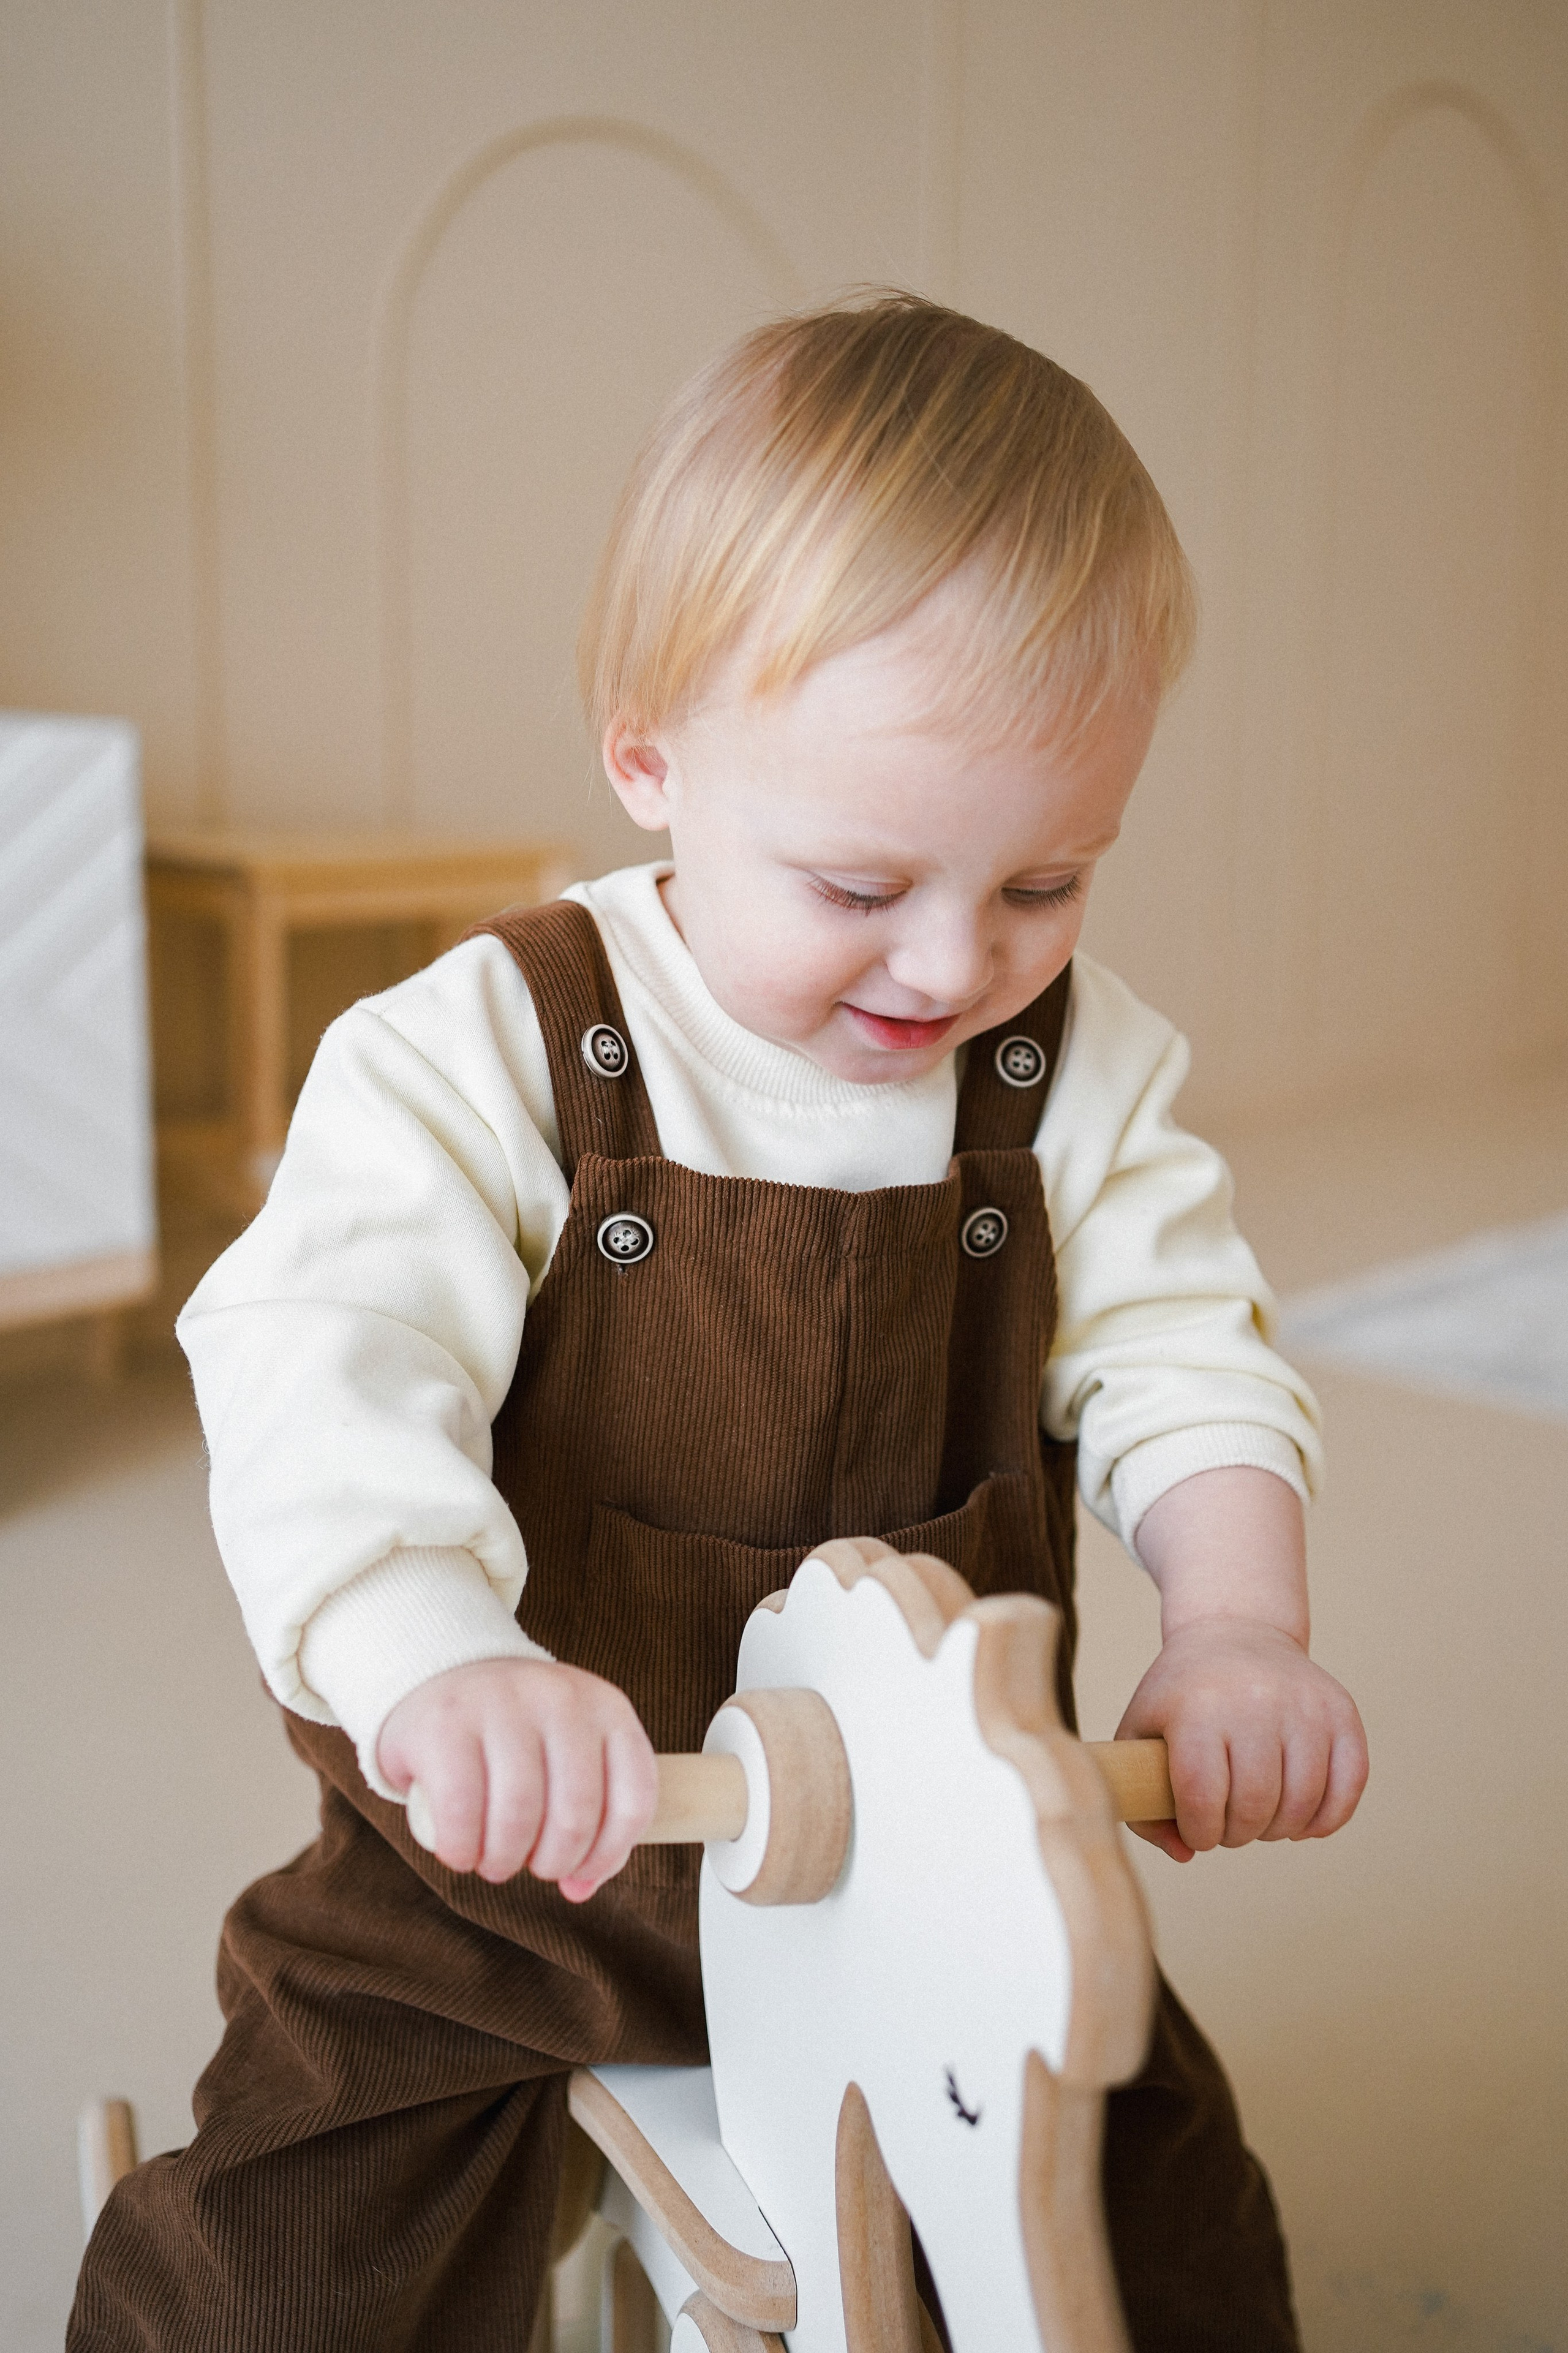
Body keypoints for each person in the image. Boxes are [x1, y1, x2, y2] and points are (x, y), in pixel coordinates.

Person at [72, 293, 1366, 2351]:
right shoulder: (490, 1046)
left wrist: (1233, 1624)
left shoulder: (1072, 1078)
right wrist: (441, 1663)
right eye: (860, 882)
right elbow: (326, 1363)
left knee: (1161, 2221)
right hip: (511, 1872)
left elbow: (1188, 1350)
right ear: (652, 753)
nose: (957, 962)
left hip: (927, 1861)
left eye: (1047, 881)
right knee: (279, 2258)